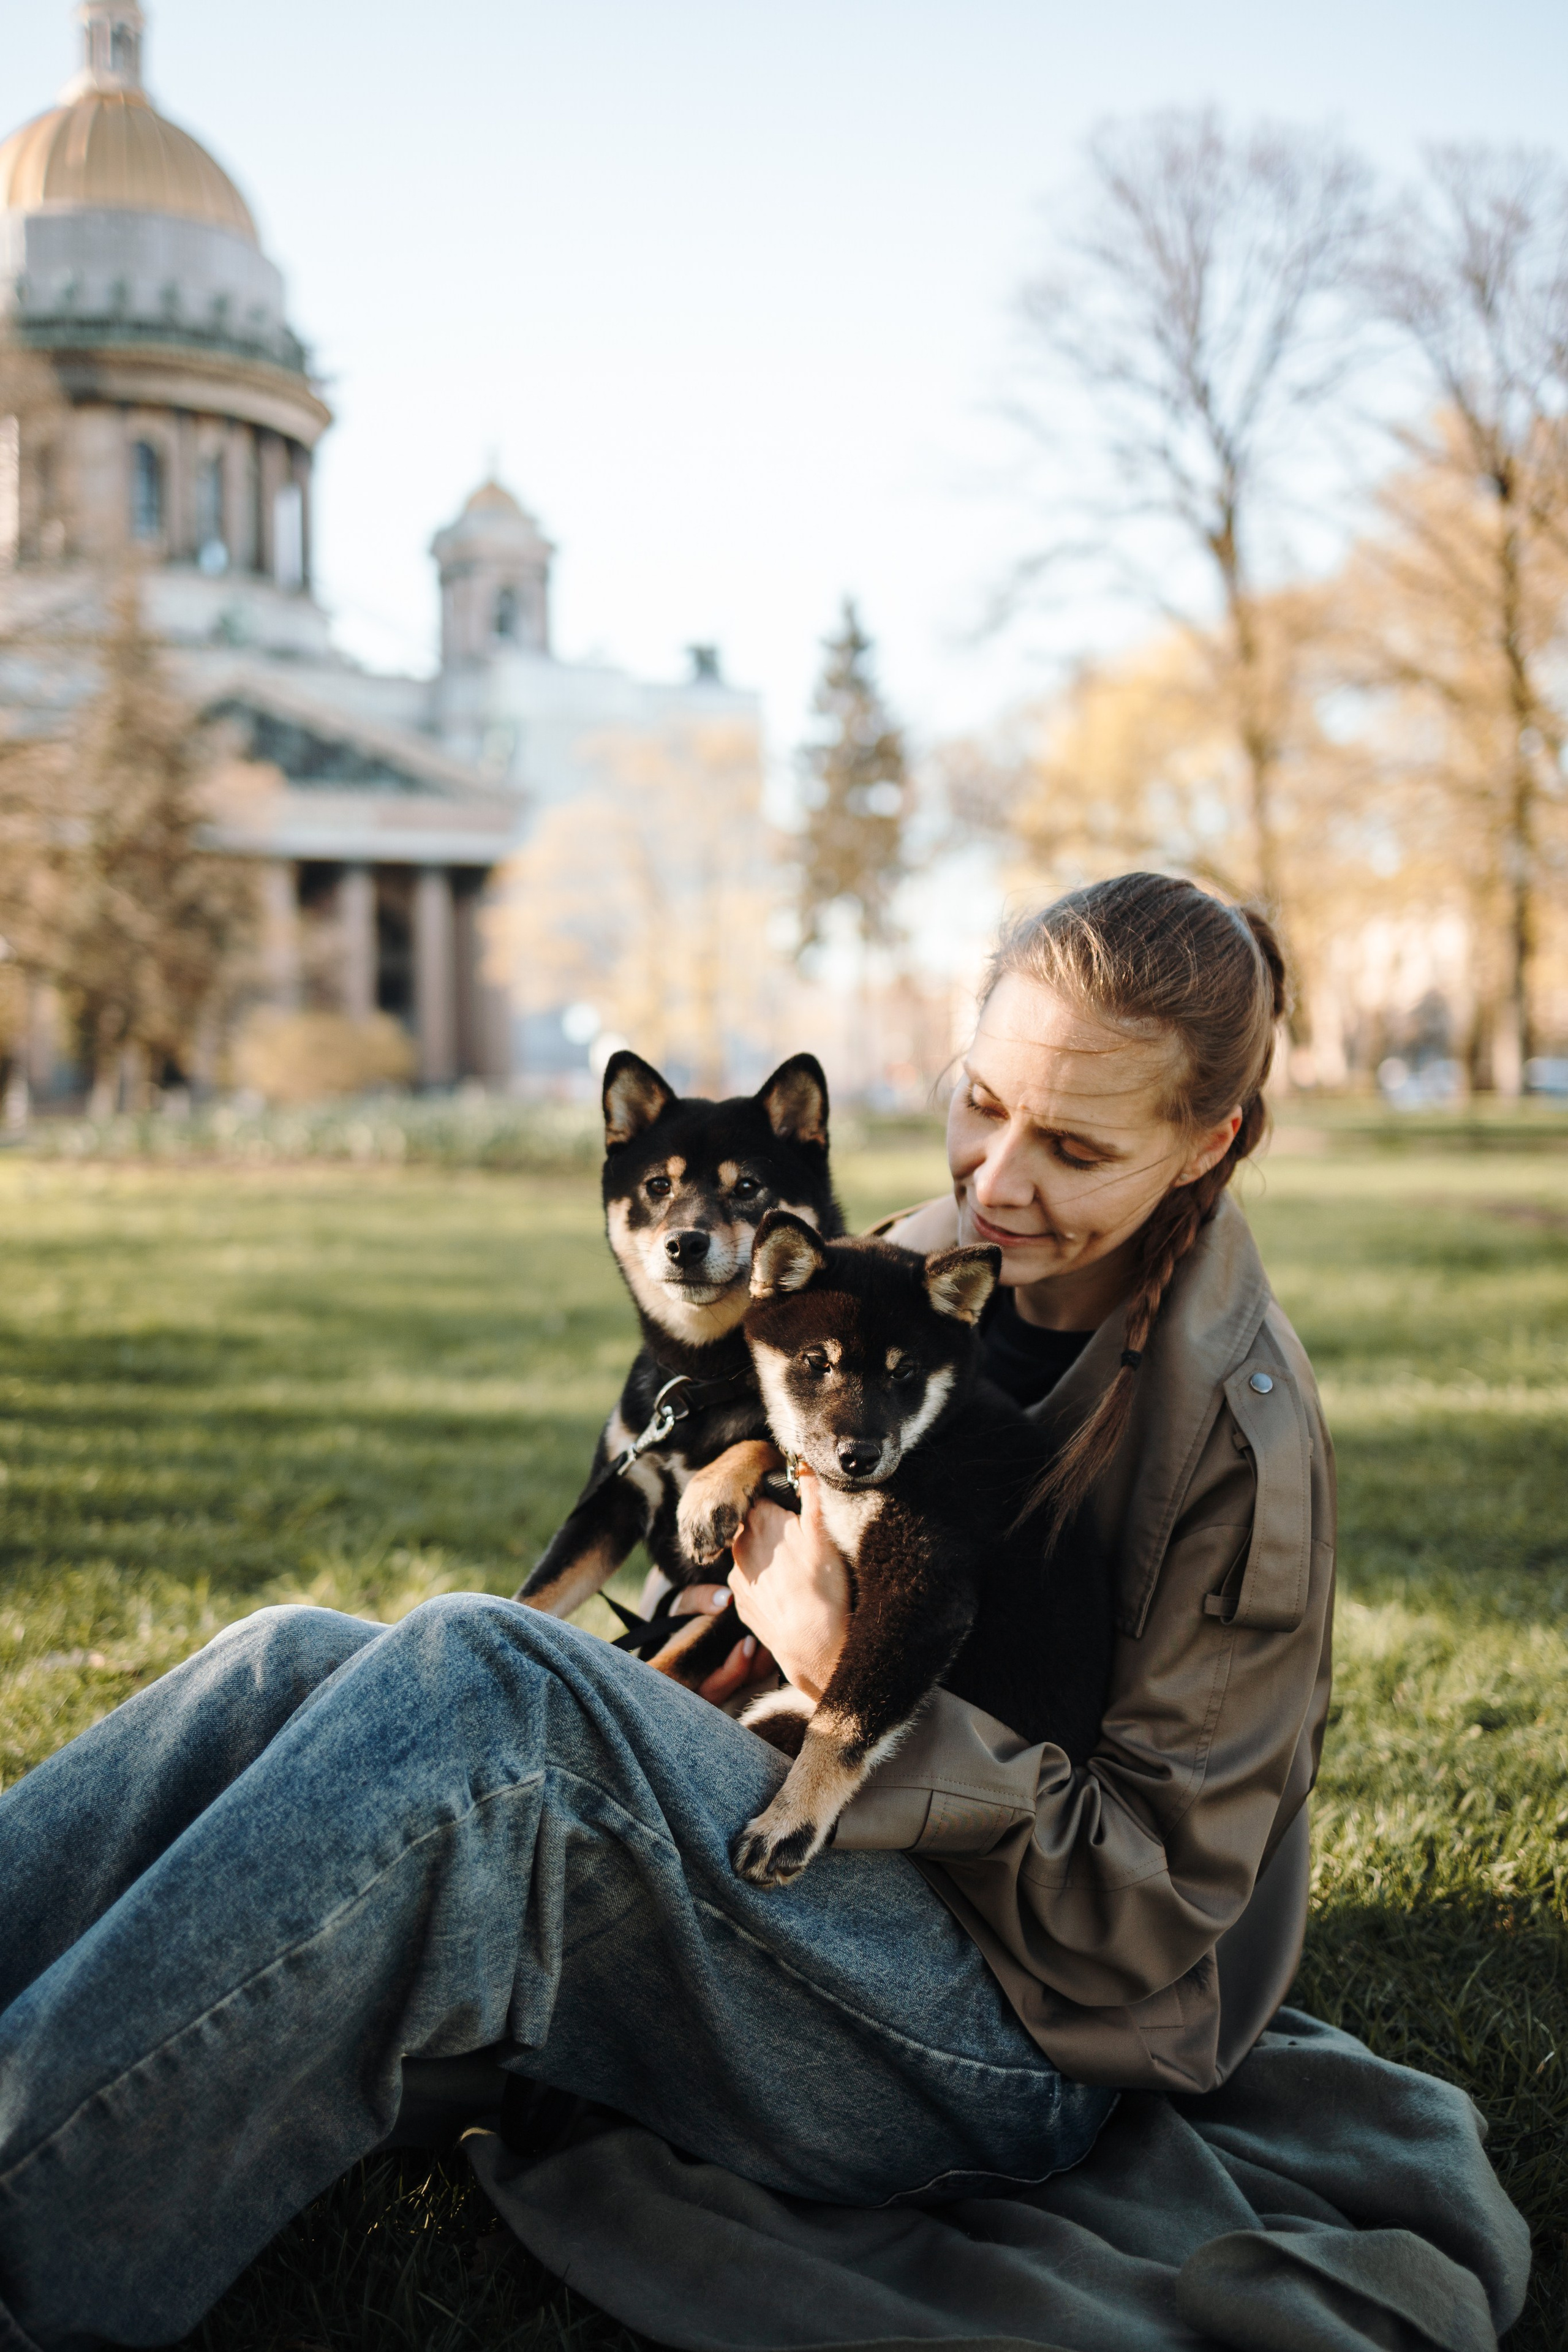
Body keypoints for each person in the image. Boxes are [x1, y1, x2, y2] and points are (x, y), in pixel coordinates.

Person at [0, 874, 1333, 2351]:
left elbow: (1143, 1913)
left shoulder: (1232, 1448)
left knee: (487, 1683)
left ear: (1208, 1141)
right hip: (799, 1877)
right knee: (293, 1660)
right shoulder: (907, 1266)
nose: (997, 1179)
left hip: (1005, 2043)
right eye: (982, 1105)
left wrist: (859, 1690)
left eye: (1074, 1146)